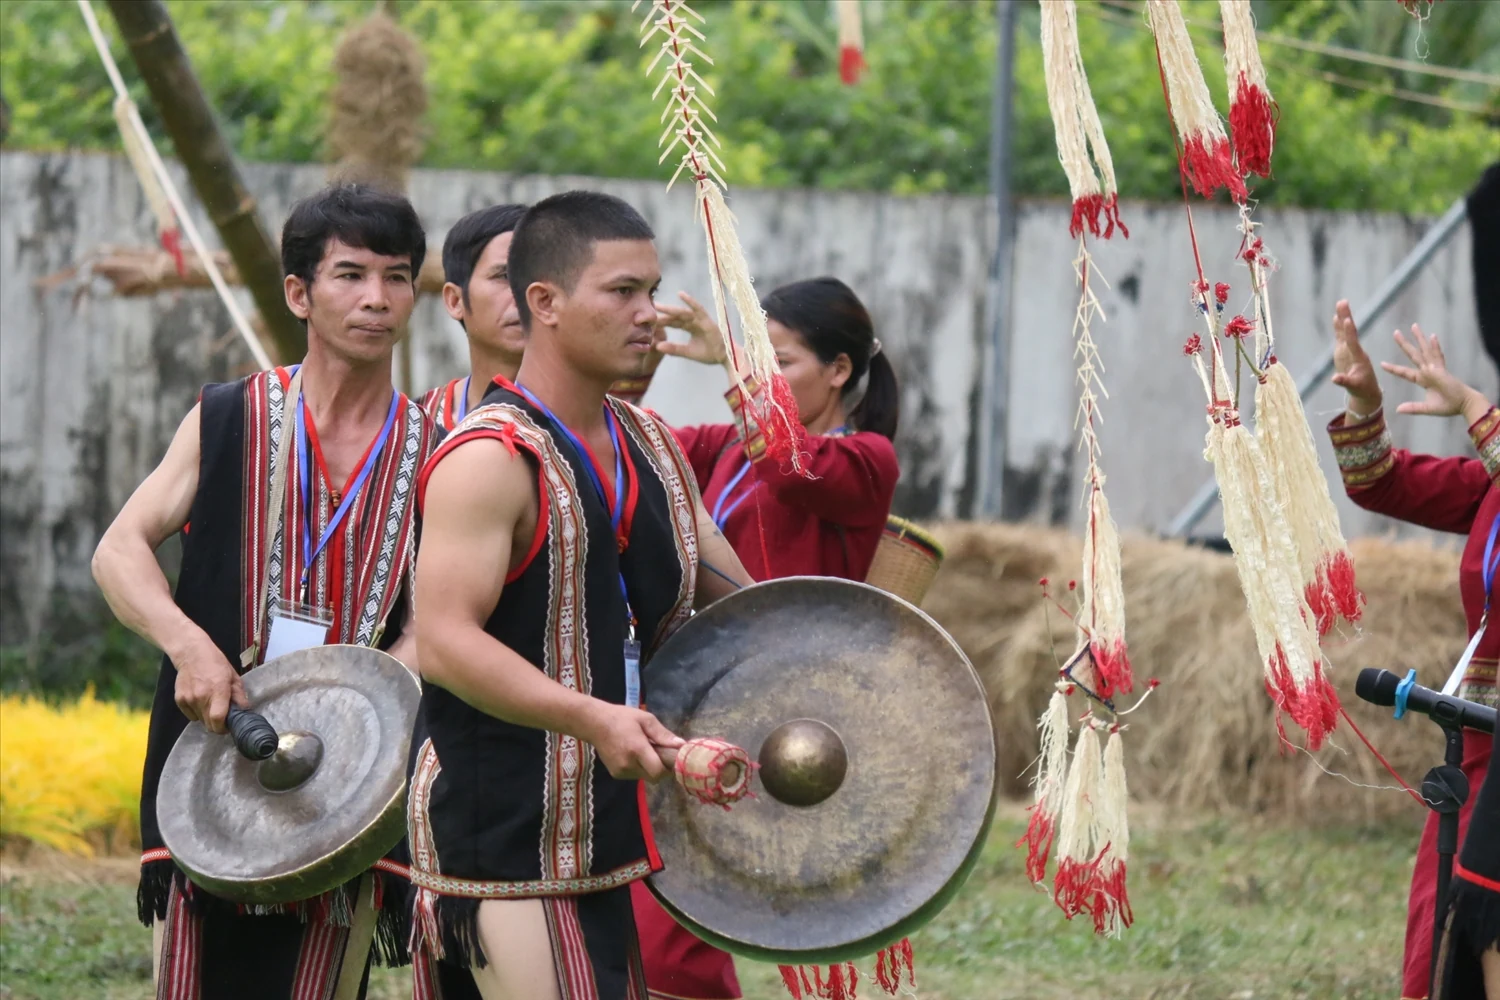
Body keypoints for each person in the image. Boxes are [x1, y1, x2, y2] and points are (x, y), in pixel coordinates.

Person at [406, 190, 755, 1000]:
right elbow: (446, 641)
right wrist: (594, 717)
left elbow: (738, 602)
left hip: (605, 831)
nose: (649, 314)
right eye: (622, 292)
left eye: (652, 290)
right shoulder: (489, 458)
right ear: (545, 304)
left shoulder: (653, 445)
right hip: (499, 835)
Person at [91, 184, 433, 1000]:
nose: (376, 299)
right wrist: (189, 648)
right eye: (349, 275)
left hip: (353, 774)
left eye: (396, 277)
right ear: (298, 294)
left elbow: (439, 619)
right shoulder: (228, 415)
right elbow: (119, 551)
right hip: (212, 737)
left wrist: (374, 707)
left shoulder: (441, 449)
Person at [626, 277, 901, 999]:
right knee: (662, 910)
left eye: (780, 363)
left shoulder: (865, 460)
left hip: (781, 712)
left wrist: (729, 361)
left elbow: (790, 463)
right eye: (759, 363)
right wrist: (628, 359)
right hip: (694, 699)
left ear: (839, 371)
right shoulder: (722, 449)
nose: (763, 378)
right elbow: (624, 449)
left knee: (676, 924)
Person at [1327, 298, 1498, 1000]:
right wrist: (1366, 406)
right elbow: (1381, 483)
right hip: (1482, 747)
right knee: (1446, 921)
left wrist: (1474, 406)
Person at [421, 203, 528, 431]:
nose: (526, 293)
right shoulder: (417, 425)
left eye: (539, 276)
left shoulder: (606, 422)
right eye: (505, 275)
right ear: (455, 301)